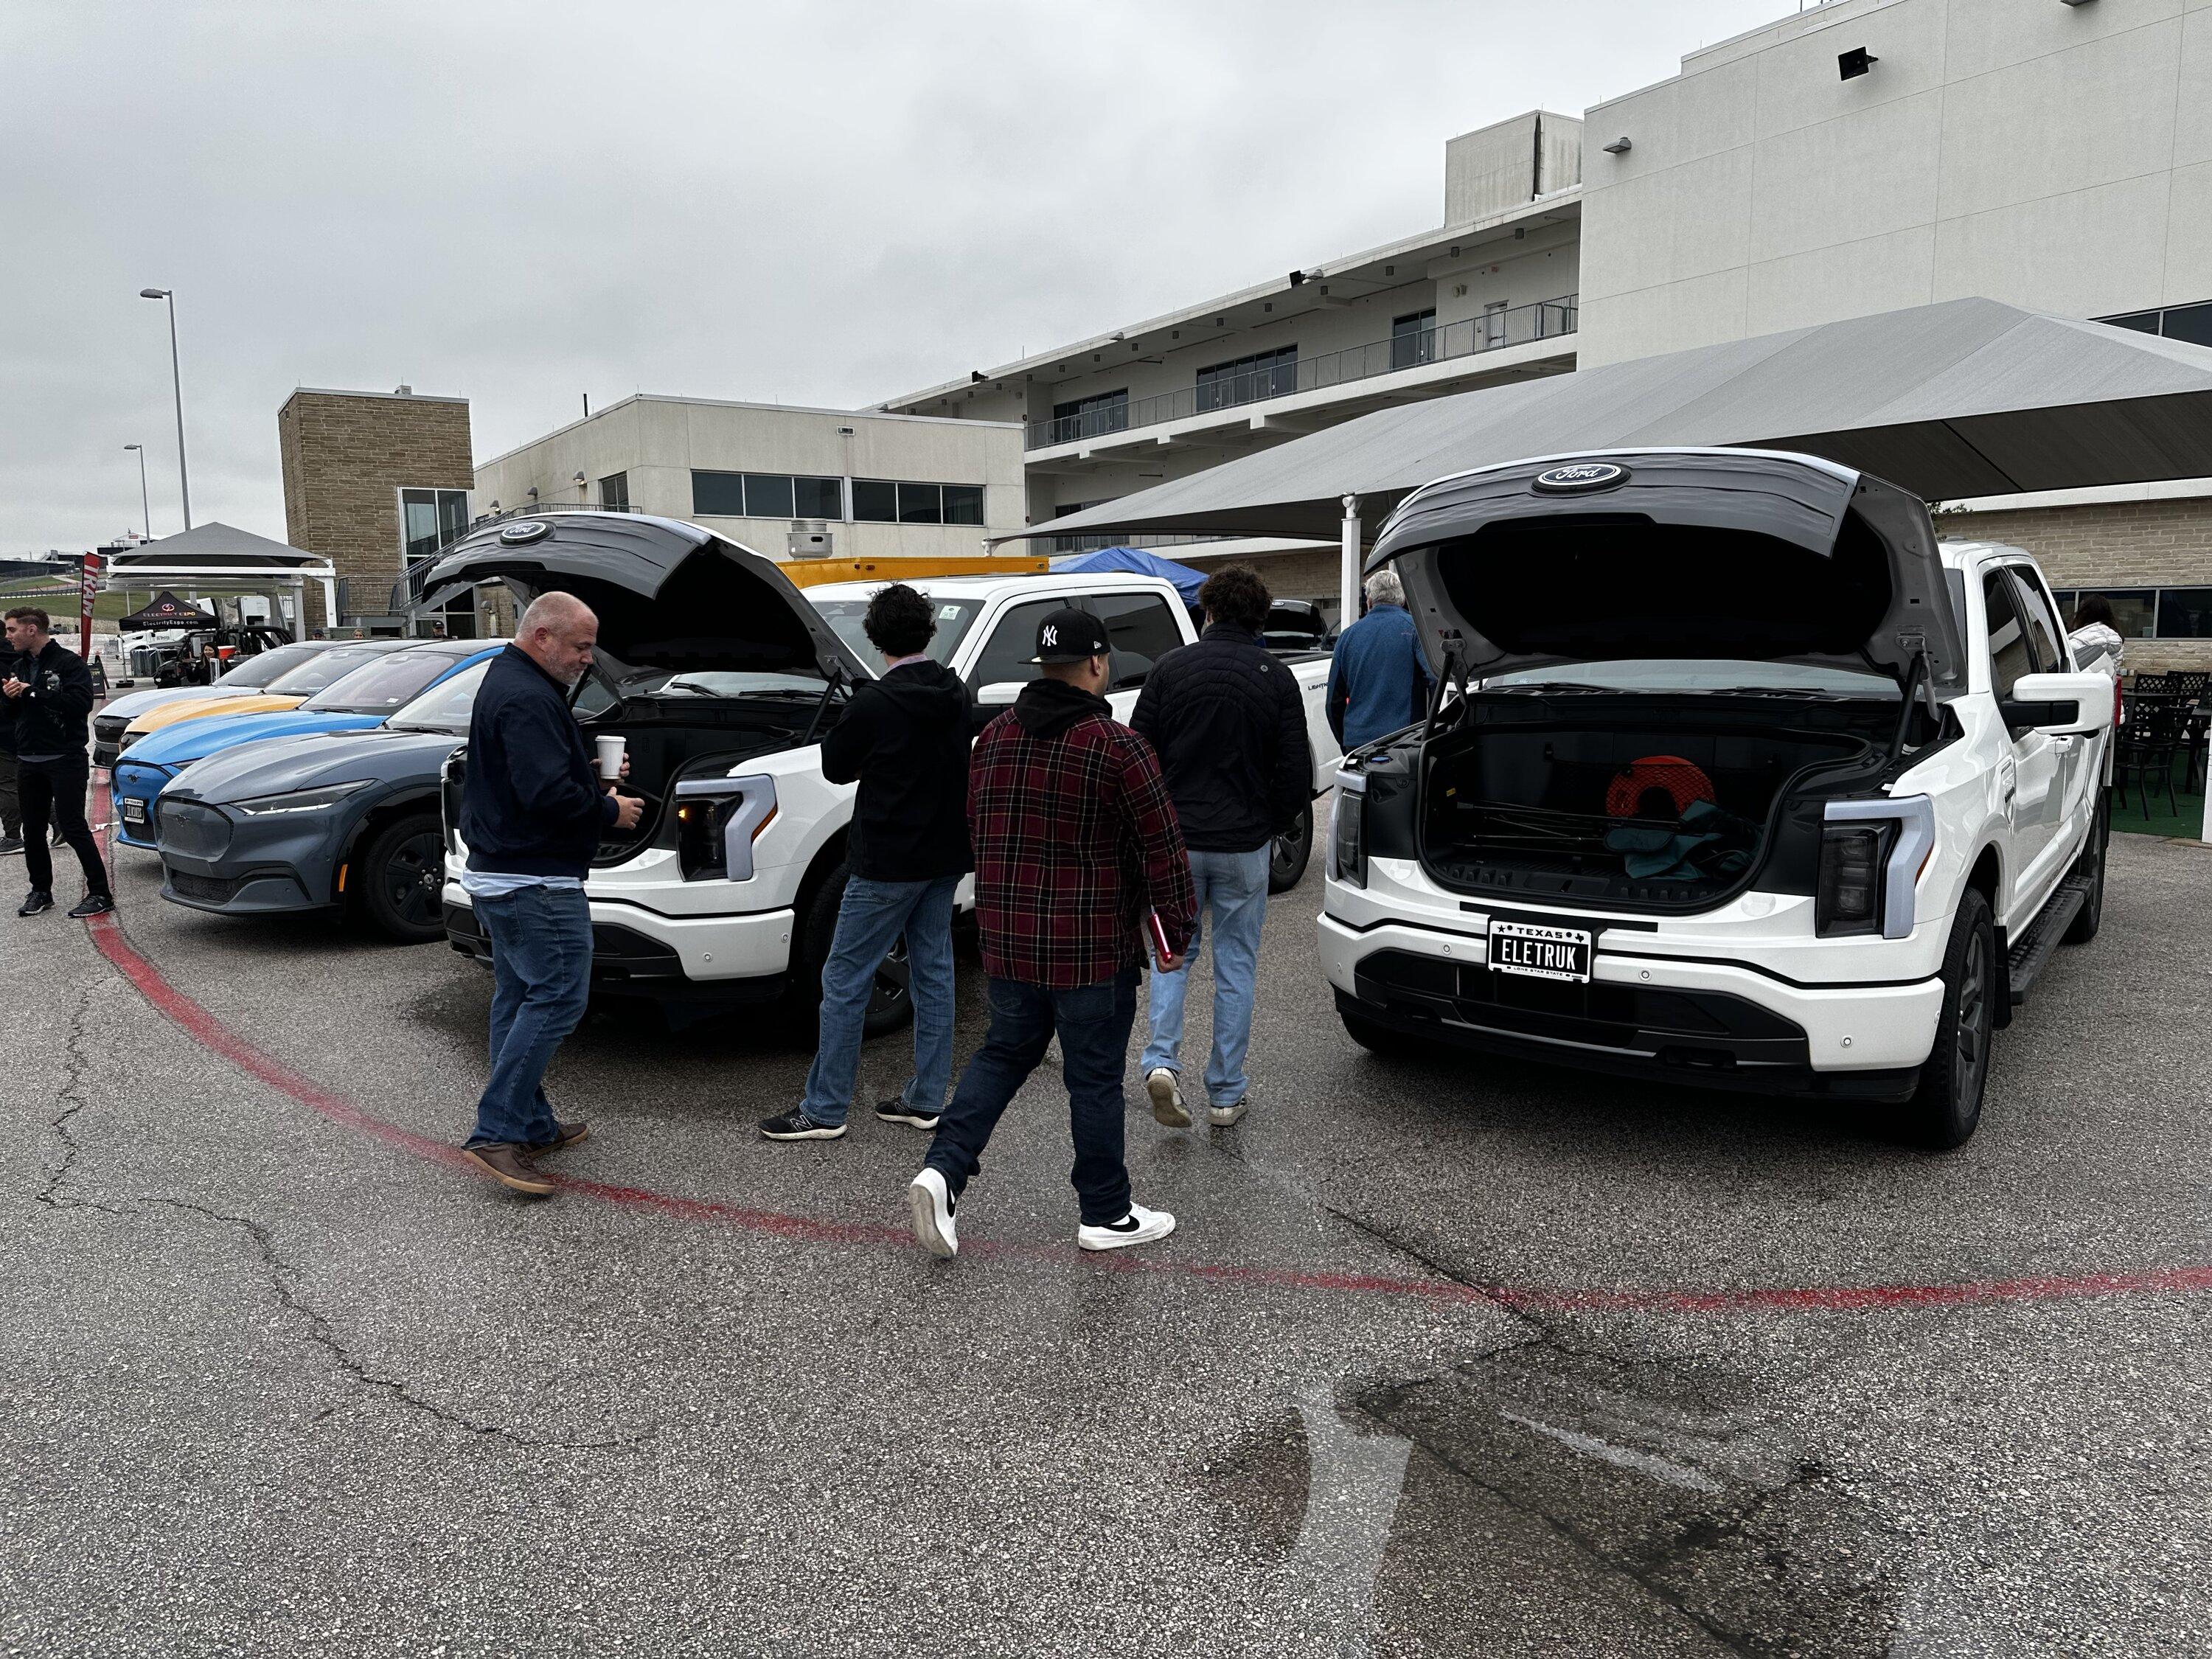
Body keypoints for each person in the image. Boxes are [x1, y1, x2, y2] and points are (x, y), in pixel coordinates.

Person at [907, 606, 1197, 1259]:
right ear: (1098, 664)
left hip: (1009, 943)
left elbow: (979, 830)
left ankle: (943, 1171)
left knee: (1002, 1055)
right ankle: (1105, 1211)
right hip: (1091, 948)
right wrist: (1175, 932)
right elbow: (1163, 852)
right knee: (1093, 1078)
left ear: (1042, 668)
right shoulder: (1118, 747)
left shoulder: (995, 740)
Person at [761, 582, 971, 1142]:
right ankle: (927, 1098)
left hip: (886, 860)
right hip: (945, 853)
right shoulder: (955, 691)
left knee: (845, 976)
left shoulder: (874, 703)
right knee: (934, 972)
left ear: (875, 638)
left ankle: (825, 1107)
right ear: (928, 631)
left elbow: (835, 767)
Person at [454, 592, 642, 1196]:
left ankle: (532, 1124)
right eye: (581, 647)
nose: (588, 660)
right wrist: (608, 807)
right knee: (558, 999)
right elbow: (545, 798)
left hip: (500, 872)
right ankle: (497, 1130)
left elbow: (527, 778)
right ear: (543, 637)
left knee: (518, 995)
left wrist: (580, 770)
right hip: (533, 879)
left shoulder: (509, 680)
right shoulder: (528, 696)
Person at [1130, 566, 1312, 1131]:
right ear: (1260, 618)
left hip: (1178, 842)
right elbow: (1293, 771)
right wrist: (1270, 823)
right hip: (1244, 844)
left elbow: (1141, 754)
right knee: (1237, 965)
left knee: (1173, 955)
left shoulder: (1168, 670)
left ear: (1206, 612)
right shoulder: (1276, 677)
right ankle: (1226, 1093)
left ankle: (1162, 1060)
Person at [3, 608, 111, 917]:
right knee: (33, 830)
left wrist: (32, 693)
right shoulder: (19, 666)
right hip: (28, 758)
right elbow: (14, 715)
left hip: (65, 758)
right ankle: (41, 891)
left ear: (32, 630)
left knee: (73, 826)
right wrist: (10, 699)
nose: (8, 636)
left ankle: (100, 893)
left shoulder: (68, 663)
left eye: (12, 630)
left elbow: (80, 705)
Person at [1326, 568, 1432, 754]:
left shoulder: (1347, 637)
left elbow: (1333, 701)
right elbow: (1436, 680)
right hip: (1403, 741)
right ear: (1403, 600)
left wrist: (1346, 740)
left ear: (1369, 601)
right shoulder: (1415, 630)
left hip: (1357, 743)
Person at [0, 623, 21, 858]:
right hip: (19, 731)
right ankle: (56, 820)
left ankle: (13, 836)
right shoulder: (17, 657)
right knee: (18, 783)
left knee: (6, 786)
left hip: (3, 733)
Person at [2069, 595, 2125, 673]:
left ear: (2084, 613)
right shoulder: (2114, 636)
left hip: (2079, 684)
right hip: (2106, 684)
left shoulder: (2082, 639)